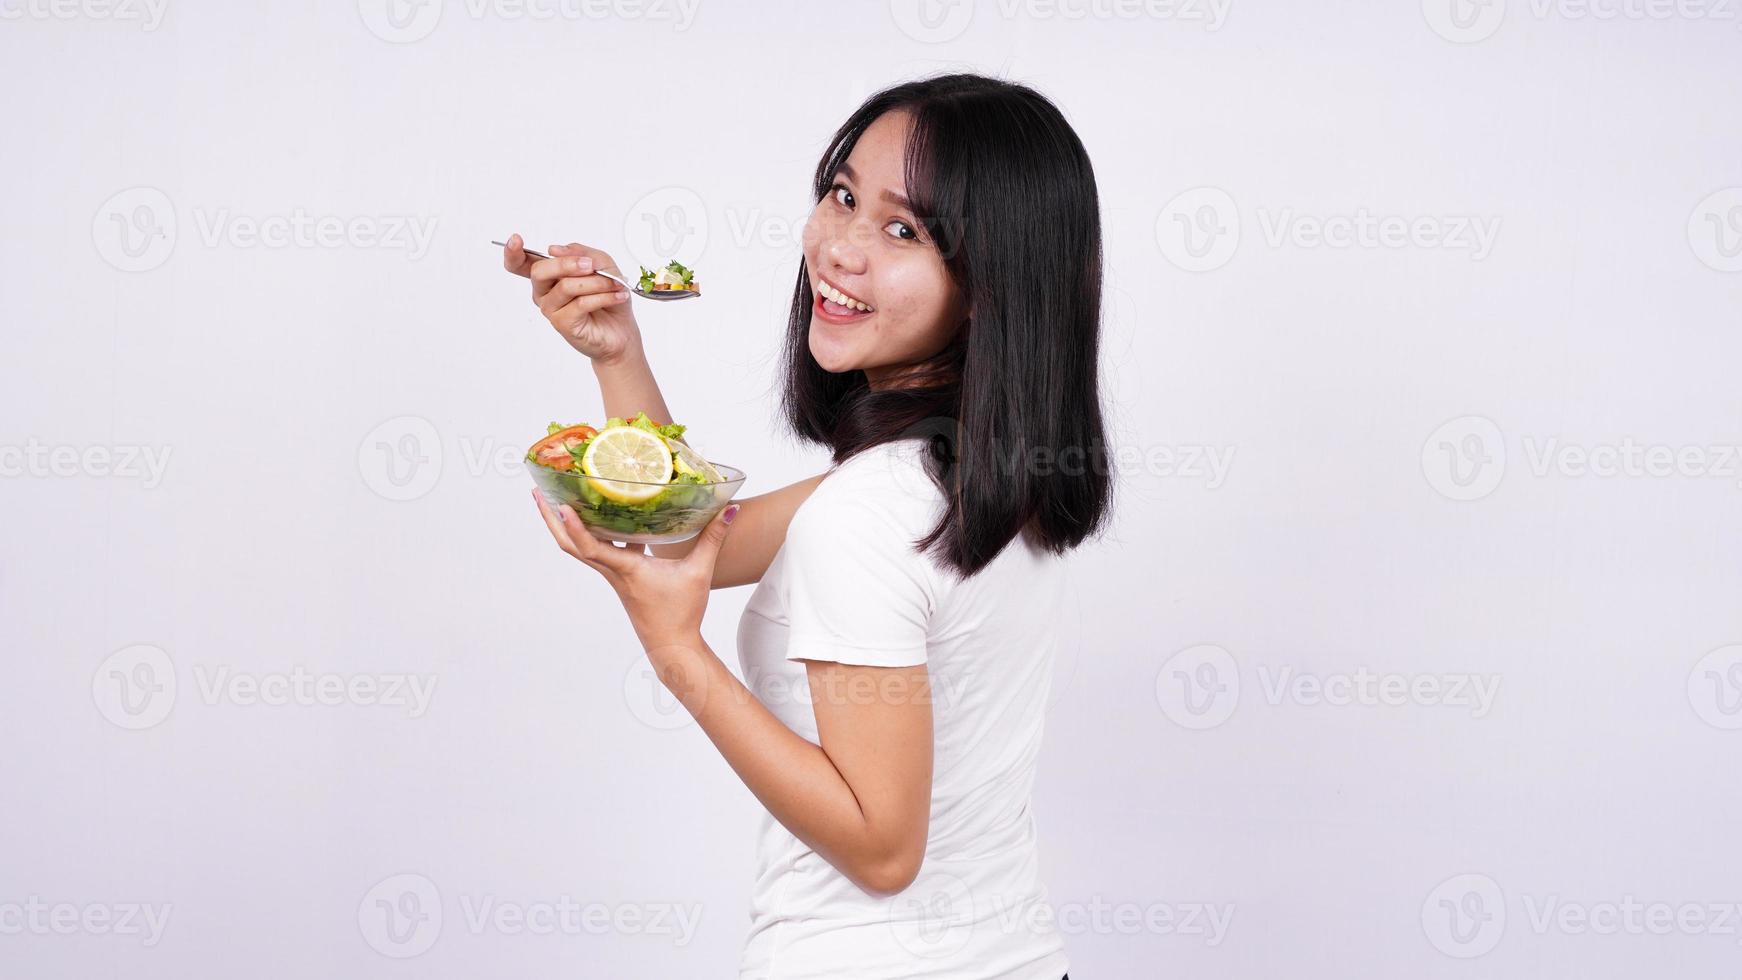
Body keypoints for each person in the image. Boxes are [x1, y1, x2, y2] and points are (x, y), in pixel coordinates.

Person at [506, 71, 1109, 980]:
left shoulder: (869, 515)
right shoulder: (974, 479)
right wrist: (619, 350)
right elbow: (693, 536)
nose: (840, 250)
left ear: (990, 284)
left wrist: (678, 656)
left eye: (903, 230)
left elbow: (881, 848)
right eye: (842, 196)